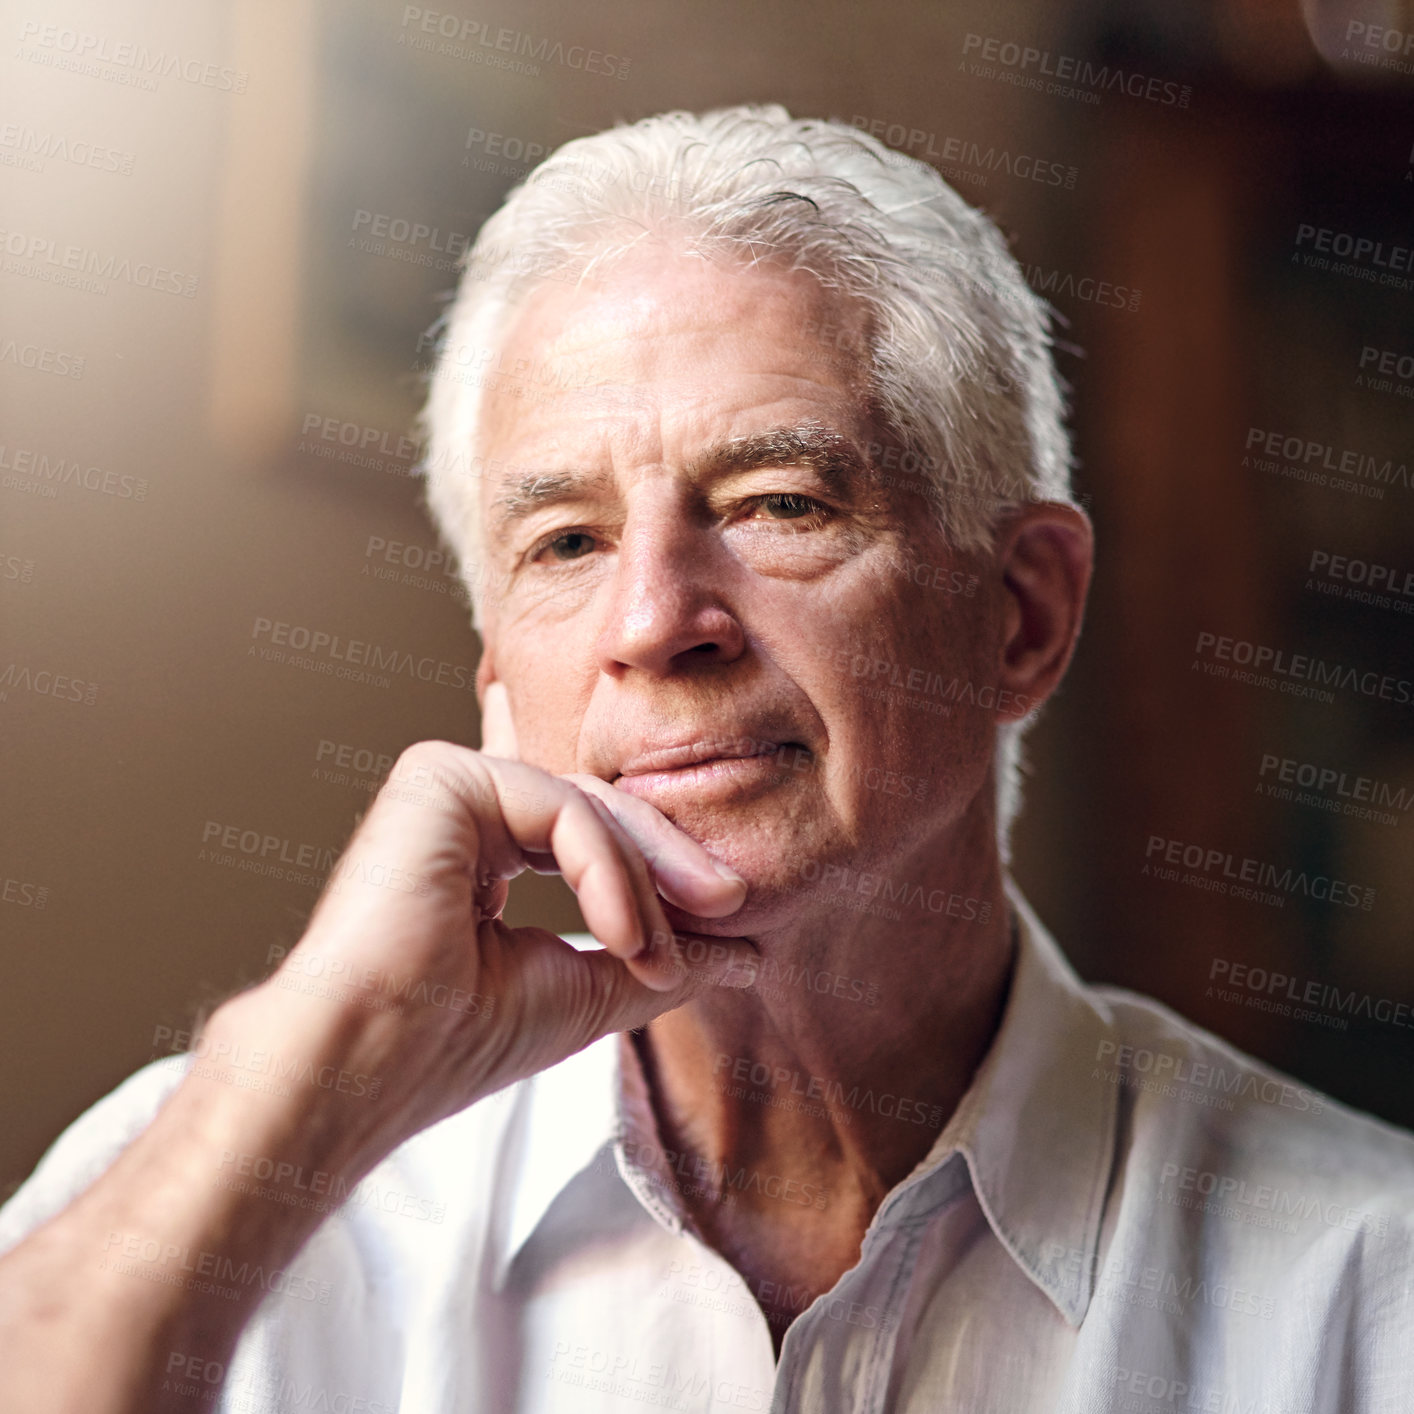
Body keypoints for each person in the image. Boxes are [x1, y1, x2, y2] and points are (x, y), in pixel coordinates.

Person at [1, 105, 1410, 1414]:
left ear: (1018, 615)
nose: (654, 621)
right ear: (497, 673)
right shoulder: (226, 1184)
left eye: (779, 500)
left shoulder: (1363, 1288)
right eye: (564, 541)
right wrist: (320, 1046)